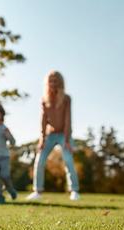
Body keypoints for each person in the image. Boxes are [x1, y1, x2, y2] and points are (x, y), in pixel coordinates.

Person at [26, 70, 80, 201]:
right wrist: (42, 139)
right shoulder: (44, 100)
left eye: (55, 80)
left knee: (68, 160)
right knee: (39, 160)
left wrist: (67, 140)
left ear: (60, 82)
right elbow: (43, 121)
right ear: (47, 83)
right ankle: (37, 191)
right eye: (50, 81)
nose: (53, 83)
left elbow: (68, 120)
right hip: (50, 134)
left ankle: (74, 191)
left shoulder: (66, 99)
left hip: (64, 135)